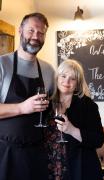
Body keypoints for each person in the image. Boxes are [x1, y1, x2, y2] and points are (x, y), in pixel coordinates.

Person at [0, 12, 55, 180]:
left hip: (37, 155)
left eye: (40, 32)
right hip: (5, 155)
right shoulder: (2, 64)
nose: (35, 36)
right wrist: (22, 107)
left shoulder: (48, 70)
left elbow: (52, 110)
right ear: (20, 31)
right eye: (31, 30)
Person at [45, 59, 104, 180]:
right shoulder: (46, 103)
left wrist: (72, 130)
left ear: (78, 83)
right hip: (49, 167)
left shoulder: (88, 105)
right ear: (57, 78)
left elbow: (98, 140)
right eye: (63, 76)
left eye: (72, 78)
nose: (66, 81)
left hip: (81, 170)